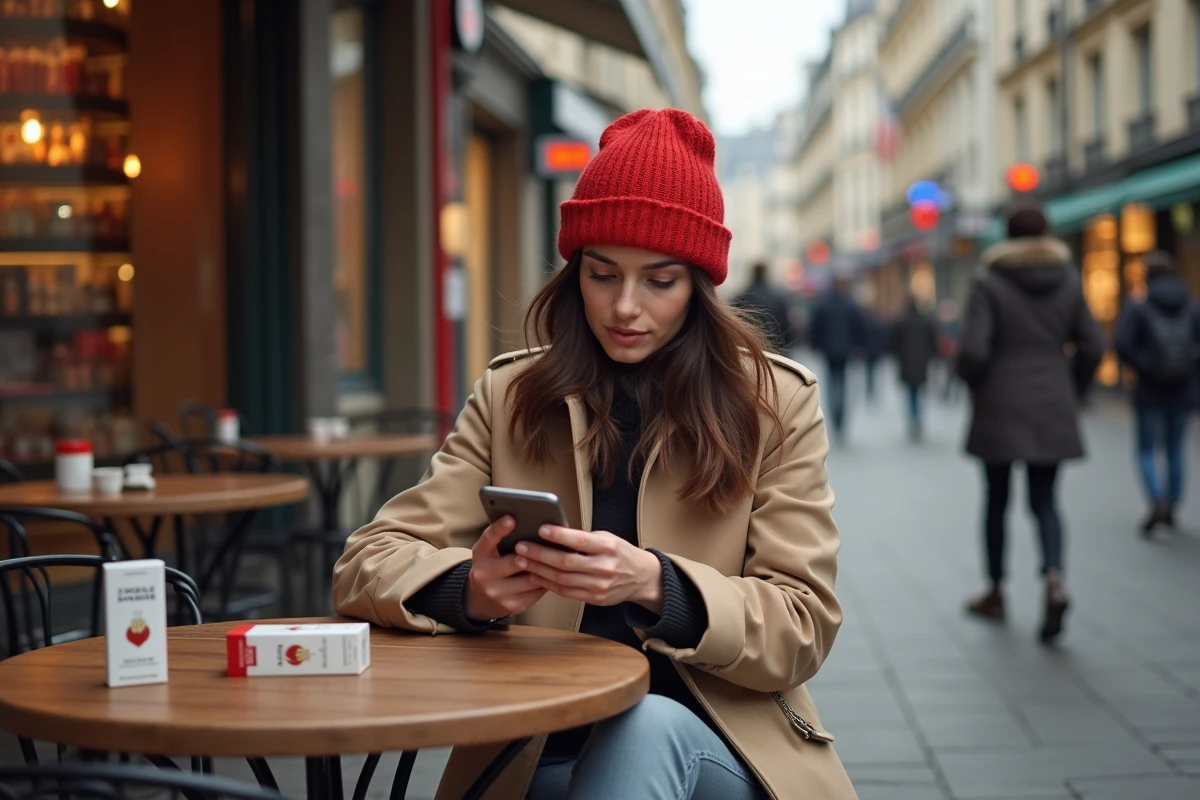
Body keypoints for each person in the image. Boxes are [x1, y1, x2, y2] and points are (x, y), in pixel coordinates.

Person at [332, 109, 855, 800]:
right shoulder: (513, 393)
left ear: (698, 287)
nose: (625, 307)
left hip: (721, 747)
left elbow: (802, 624)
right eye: (602, 274)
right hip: (535, 754)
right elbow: (365, 562)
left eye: (659, 281)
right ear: (575, 271)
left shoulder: (774, 403)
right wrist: (469, 590)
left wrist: (654, 584)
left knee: (643, 730)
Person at [956, 200, 1102, 644]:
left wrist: (973, 380)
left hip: (1001, 400)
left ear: (1007, 235)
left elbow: (975, 350)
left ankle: (996, 590)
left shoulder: (989, 280)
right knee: (1046, 500)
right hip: (1052, 398)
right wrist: (1072, 388)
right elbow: (1092, 345)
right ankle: (1054, 578)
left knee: (996, 499)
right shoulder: (1068, 278)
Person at [1115, 250, 1200, 535]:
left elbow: (1123, 345)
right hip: (1184, 388)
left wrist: (1144, 366)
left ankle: (1158, 498)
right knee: (1175, 449)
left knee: (1146, 449)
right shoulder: (1190, 307)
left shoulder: (1139, 307)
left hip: (1150, 390)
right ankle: (1172, 504)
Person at [807, 275, 866, 442]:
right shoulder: (850, 304)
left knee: (832, 382)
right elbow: (859, 327)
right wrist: (858, 345)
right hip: (845, 350)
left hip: (828, 350)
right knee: (842, 382)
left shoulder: (823, 303)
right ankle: (840, 415)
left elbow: (815, 327)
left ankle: (835, 414)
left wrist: (815, 345)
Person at [888, 297, 940, 441]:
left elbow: (893, 343)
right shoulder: (925, 321)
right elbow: (933, 341)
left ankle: (913, 417)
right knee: (918, 391)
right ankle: (917, 417)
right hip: (921, 362)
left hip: (906, 362)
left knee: (910, 392)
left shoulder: (902, 321)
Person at [732, 261, 797, 354]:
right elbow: (786, 325)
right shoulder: (779, 297)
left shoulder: (741, 297)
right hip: (775, 349)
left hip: (748, 351)